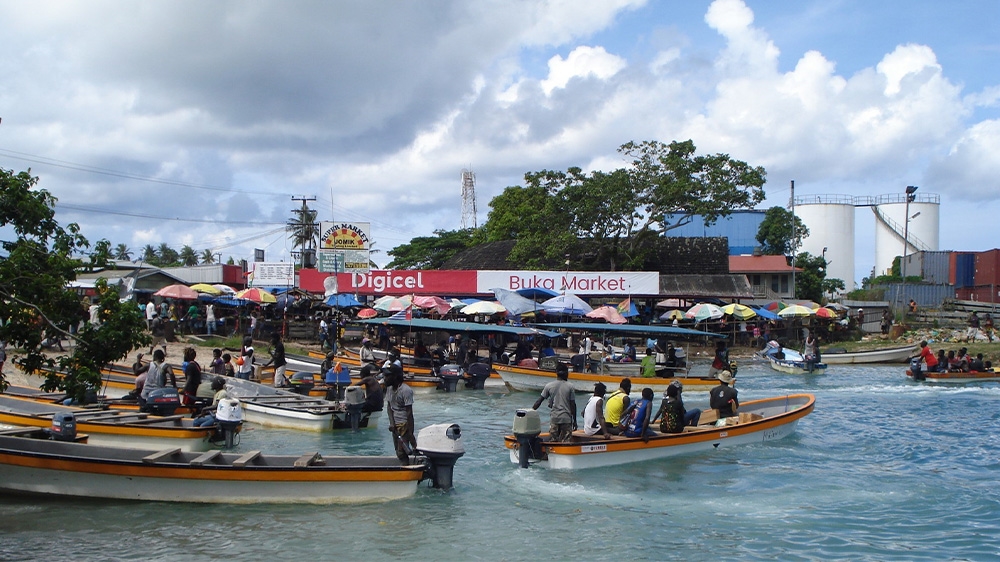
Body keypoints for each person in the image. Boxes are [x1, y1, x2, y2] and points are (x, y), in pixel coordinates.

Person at [531, 362, 577, 442]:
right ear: (566, 373)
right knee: (566, 442)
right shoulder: (570, 386)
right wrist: (575, 421)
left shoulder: (549, 386)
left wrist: (531, 411)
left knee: (553, 442)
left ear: (556, 373)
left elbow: (539, 401)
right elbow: (572, 404)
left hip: (554, 418)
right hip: (566, 419)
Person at [385, 364, 416, 461]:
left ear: (395, 376)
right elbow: (389, 407)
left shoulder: (406, 390)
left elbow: (409, 413)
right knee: (398, 452)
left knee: (402, 452)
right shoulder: (389, 389)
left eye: (387, 376)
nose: (384, 378)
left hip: (404, 424)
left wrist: (410, 432)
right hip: (395, 425)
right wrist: (392, 423)